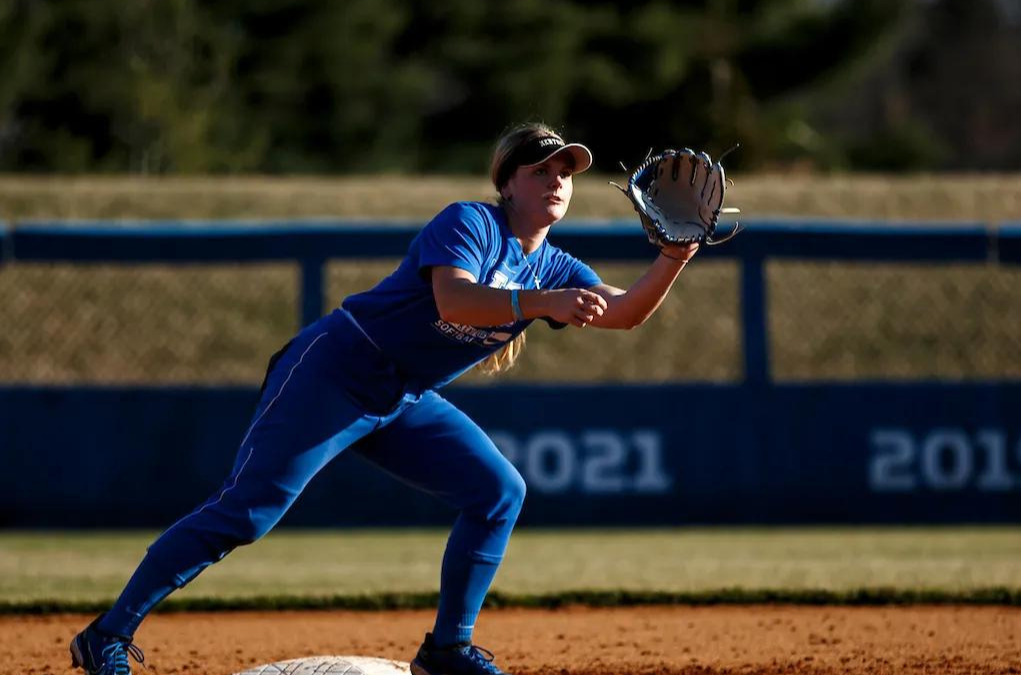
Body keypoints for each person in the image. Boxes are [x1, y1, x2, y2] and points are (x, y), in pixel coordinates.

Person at [69, 122, 700, 675]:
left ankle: (448, 649)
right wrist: (540, 304)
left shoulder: (554, 266)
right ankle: (108, 634)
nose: (557, 179)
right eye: (540, 168)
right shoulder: (470, 221)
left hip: (402, 396)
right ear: (507, 183)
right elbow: (455, 299)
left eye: (566, 170)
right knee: (248, 512)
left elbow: (622, 314)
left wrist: (674, 254)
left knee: (499, 491)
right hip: (334, 372)